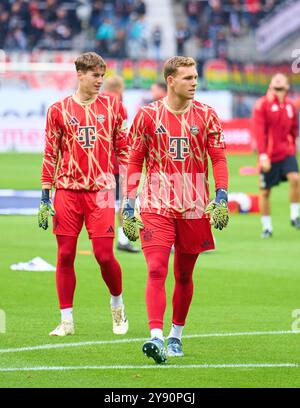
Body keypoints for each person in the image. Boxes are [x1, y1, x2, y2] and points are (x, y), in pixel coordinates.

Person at [122, 56, 229, 363]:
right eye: (187, 78)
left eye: (195, 77)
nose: (194, 82)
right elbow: (134, 160)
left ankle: (176, 336)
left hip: (195, 207)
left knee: (184, 274)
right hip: (155, 205)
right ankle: (155, 336)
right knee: (156, 269)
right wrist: (129, 203)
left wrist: (220, 195)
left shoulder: (207, 115)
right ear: (171, 80)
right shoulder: (147, 116)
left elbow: (218, 159)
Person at [38, 52, 129, 336]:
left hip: (101, 191)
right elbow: (50, 153)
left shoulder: (114, 107)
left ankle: (117, 306)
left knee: (104, 255)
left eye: (102, 75)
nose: (100, 80)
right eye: (95, 75)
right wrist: (44, 194)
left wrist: (129, 196)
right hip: (66, 191)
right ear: (79, 74)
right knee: (65, 254)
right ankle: (66, 320)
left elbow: (125, 152)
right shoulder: (58, 110)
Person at [253, 73, 300, 238]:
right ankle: (267, 227)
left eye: (282, 79)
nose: (278, 80)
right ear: (271, 84)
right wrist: (263, 155)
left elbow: (294, 130)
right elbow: (259, 132)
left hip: (286, 152)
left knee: (295, 178)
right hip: (269, 155)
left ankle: (295, 216)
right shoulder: (262, 105)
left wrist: (292, 147)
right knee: (265, 192)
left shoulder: (290, 106)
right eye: (276, 78)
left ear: (287, 86)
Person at [102, 75, 140, 253]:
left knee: (102, 203)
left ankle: (101, 239)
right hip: (117, 163)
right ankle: (123, 239)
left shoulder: (94, 103)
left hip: (97, 164)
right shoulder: (119, 106)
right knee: (125, 200)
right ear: (120, 88)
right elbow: (123, 139)